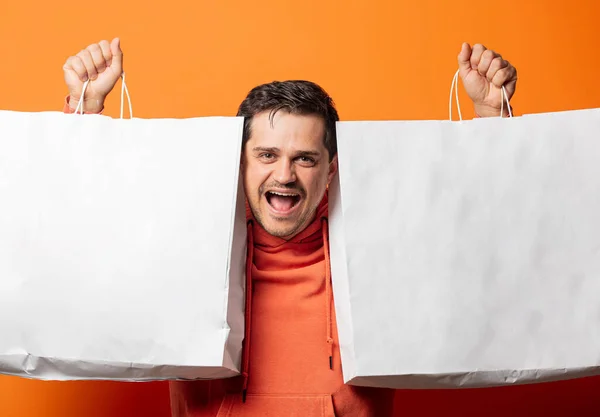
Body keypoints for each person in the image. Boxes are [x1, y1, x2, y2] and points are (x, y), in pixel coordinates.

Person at [62, 38, 518, 417]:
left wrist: (492, 122)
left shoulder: (380, 247)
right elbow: (97, 242)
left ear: (331, 169)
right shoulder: (187, 247)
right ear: (238, 163)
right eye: (267, 155)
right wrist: (85, 113)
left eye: (305, 158)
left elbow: (478, 247)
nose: (284, 175)